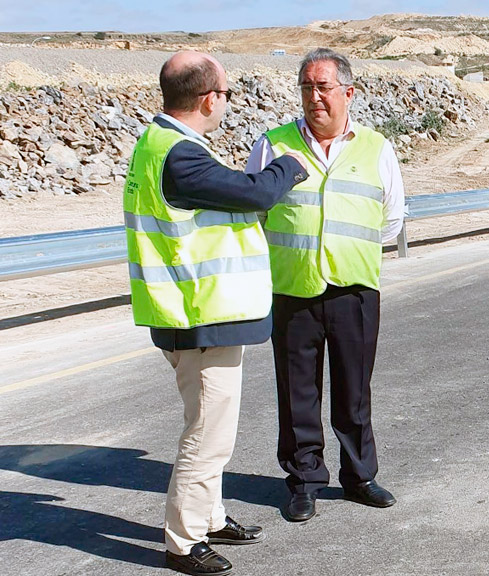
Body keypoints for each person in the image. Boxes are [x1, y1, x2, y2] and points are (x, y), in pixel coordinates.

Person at [124, 51, 308, 575]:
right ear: (209, 99)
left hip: (196, 313)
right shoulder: (180, 156)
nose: (226, 103)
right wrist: (289, 164)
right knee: (206, 434)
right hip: (198, 317)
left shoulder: (160, 143)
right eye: (226, 94)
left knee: (213, 428)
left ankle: (210, 517)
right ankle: (184, 542)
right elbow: (255, 192)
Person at [246, 47, 405, 522]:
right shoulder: (273, 145)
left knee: (354, 390)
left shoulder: (376, 147)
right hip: (293, 289)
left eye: (323, 87)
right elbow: (253, 211)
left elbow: (392, 218)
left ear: (348, 93)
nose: (314, 97)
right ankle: (304, 481)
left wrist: (347, 250)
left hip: (354, 290)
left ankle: (360, 477)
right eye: (306, 87)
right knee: (297, 392)